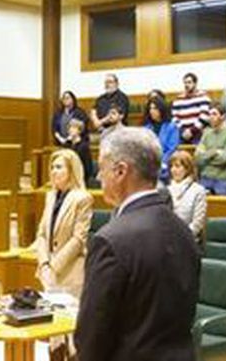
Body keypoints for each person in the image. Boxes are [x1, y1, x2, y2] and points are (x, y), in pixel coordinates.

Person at [74, 127, 200, 361]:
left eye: (102, 169)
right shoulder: (183, 231)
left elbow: (91, 336)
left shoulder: (109, 240)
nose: (99, 177)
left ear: (121, 171)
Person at [34, 149, 93, 299]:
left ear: (71, 170)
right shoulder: (50, 196)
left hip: (70, 273)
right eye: (52, 167)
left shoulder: (82, 198)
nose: (54, 171)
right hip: (47, 272)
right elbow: (41, 234)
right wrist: (44, 264)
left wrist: (54, 266)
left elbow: (78, 239)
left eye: (59, 167)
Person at [195, 105, 226, 195]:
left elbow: (223, 159)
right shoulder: (206, 132)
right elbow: (198, 158)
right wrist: (215, 152)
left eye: (214, 114)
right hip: (206, 176)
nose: (211, 117)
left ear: (223, 116)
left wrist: (206, 155)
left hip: (223, 177)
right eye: (209, 114)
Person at [52, 91, 93, 180]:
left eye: (68, 98)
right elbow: (54, 128)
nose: (70, 130)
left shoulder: (83, 147)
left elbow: (87, 168)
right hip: (62, 143)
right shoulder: (58, 113)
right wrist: (61, 138)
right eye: (64, 98)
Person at [167, 151, 207, 240]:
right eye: (171, 166)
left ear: (187, 168)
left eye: (177, 166)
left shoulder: (198, 191)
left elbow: (197, 223)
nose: (173, 170)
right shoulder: (166, 190)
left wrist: (180, 238)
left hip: (188, 241)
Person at [142, 96, 179, 183]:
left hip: (165, 165)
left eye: (155, 108)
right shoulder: (147, 128)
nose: (152, 111)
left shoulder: (171, 127)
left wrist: (161, 163)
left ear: (161, 109)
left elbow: (171, 149)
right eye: (150, 108)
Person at [171, 72, 211, 143]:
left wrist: (192, 130)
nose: (186, 85)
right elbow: (174, 117)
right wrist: (182, 130)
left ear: (195, 84)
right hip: (182, 132)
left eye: (189, 82)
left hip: (197, 132)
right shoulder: (178, 99)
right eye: (185, 83)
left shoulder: (203, 97)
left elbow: (204, 117)